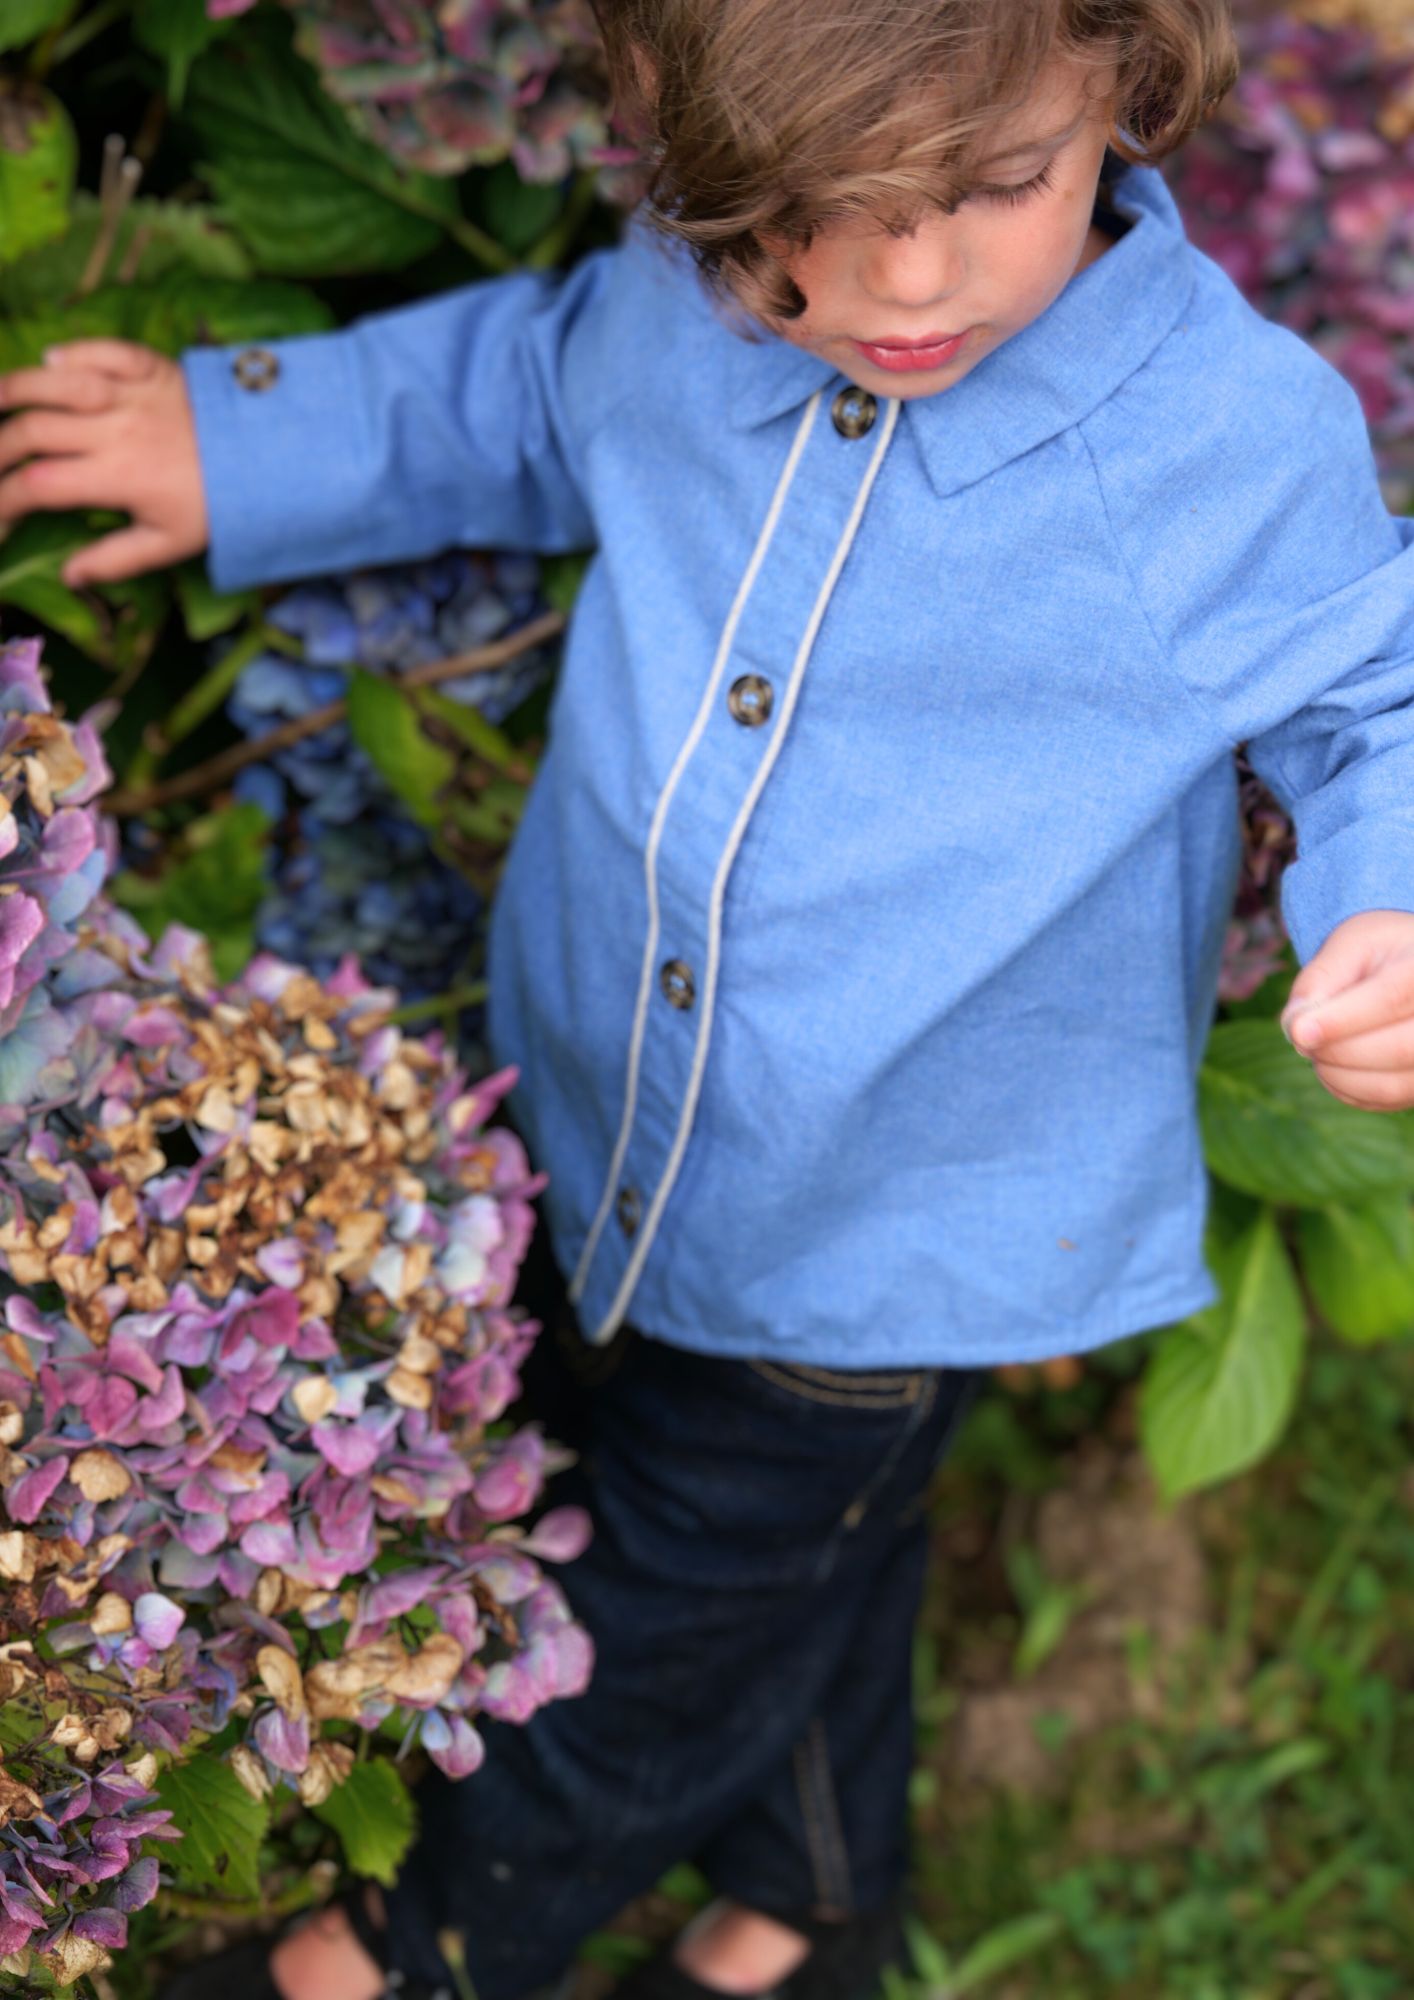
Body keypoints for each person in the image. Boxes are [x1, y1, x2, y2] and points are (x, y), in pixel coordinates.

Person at [6, 1, 1414, 1997]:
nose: (893, 277)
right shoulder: (688, 301)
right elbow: (527, 384)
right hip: (595, 1105)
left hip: (897, 1210)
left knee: (663, 1614)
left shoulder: (1213, 444)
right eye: (801, 218)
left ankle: (402, 1947)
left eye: (990, 184)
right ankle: (814, 1910)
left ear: (1112, 65)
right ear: (668, 121)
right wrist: (246, 435)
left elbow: (1378, 688)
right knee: (797, 1561)